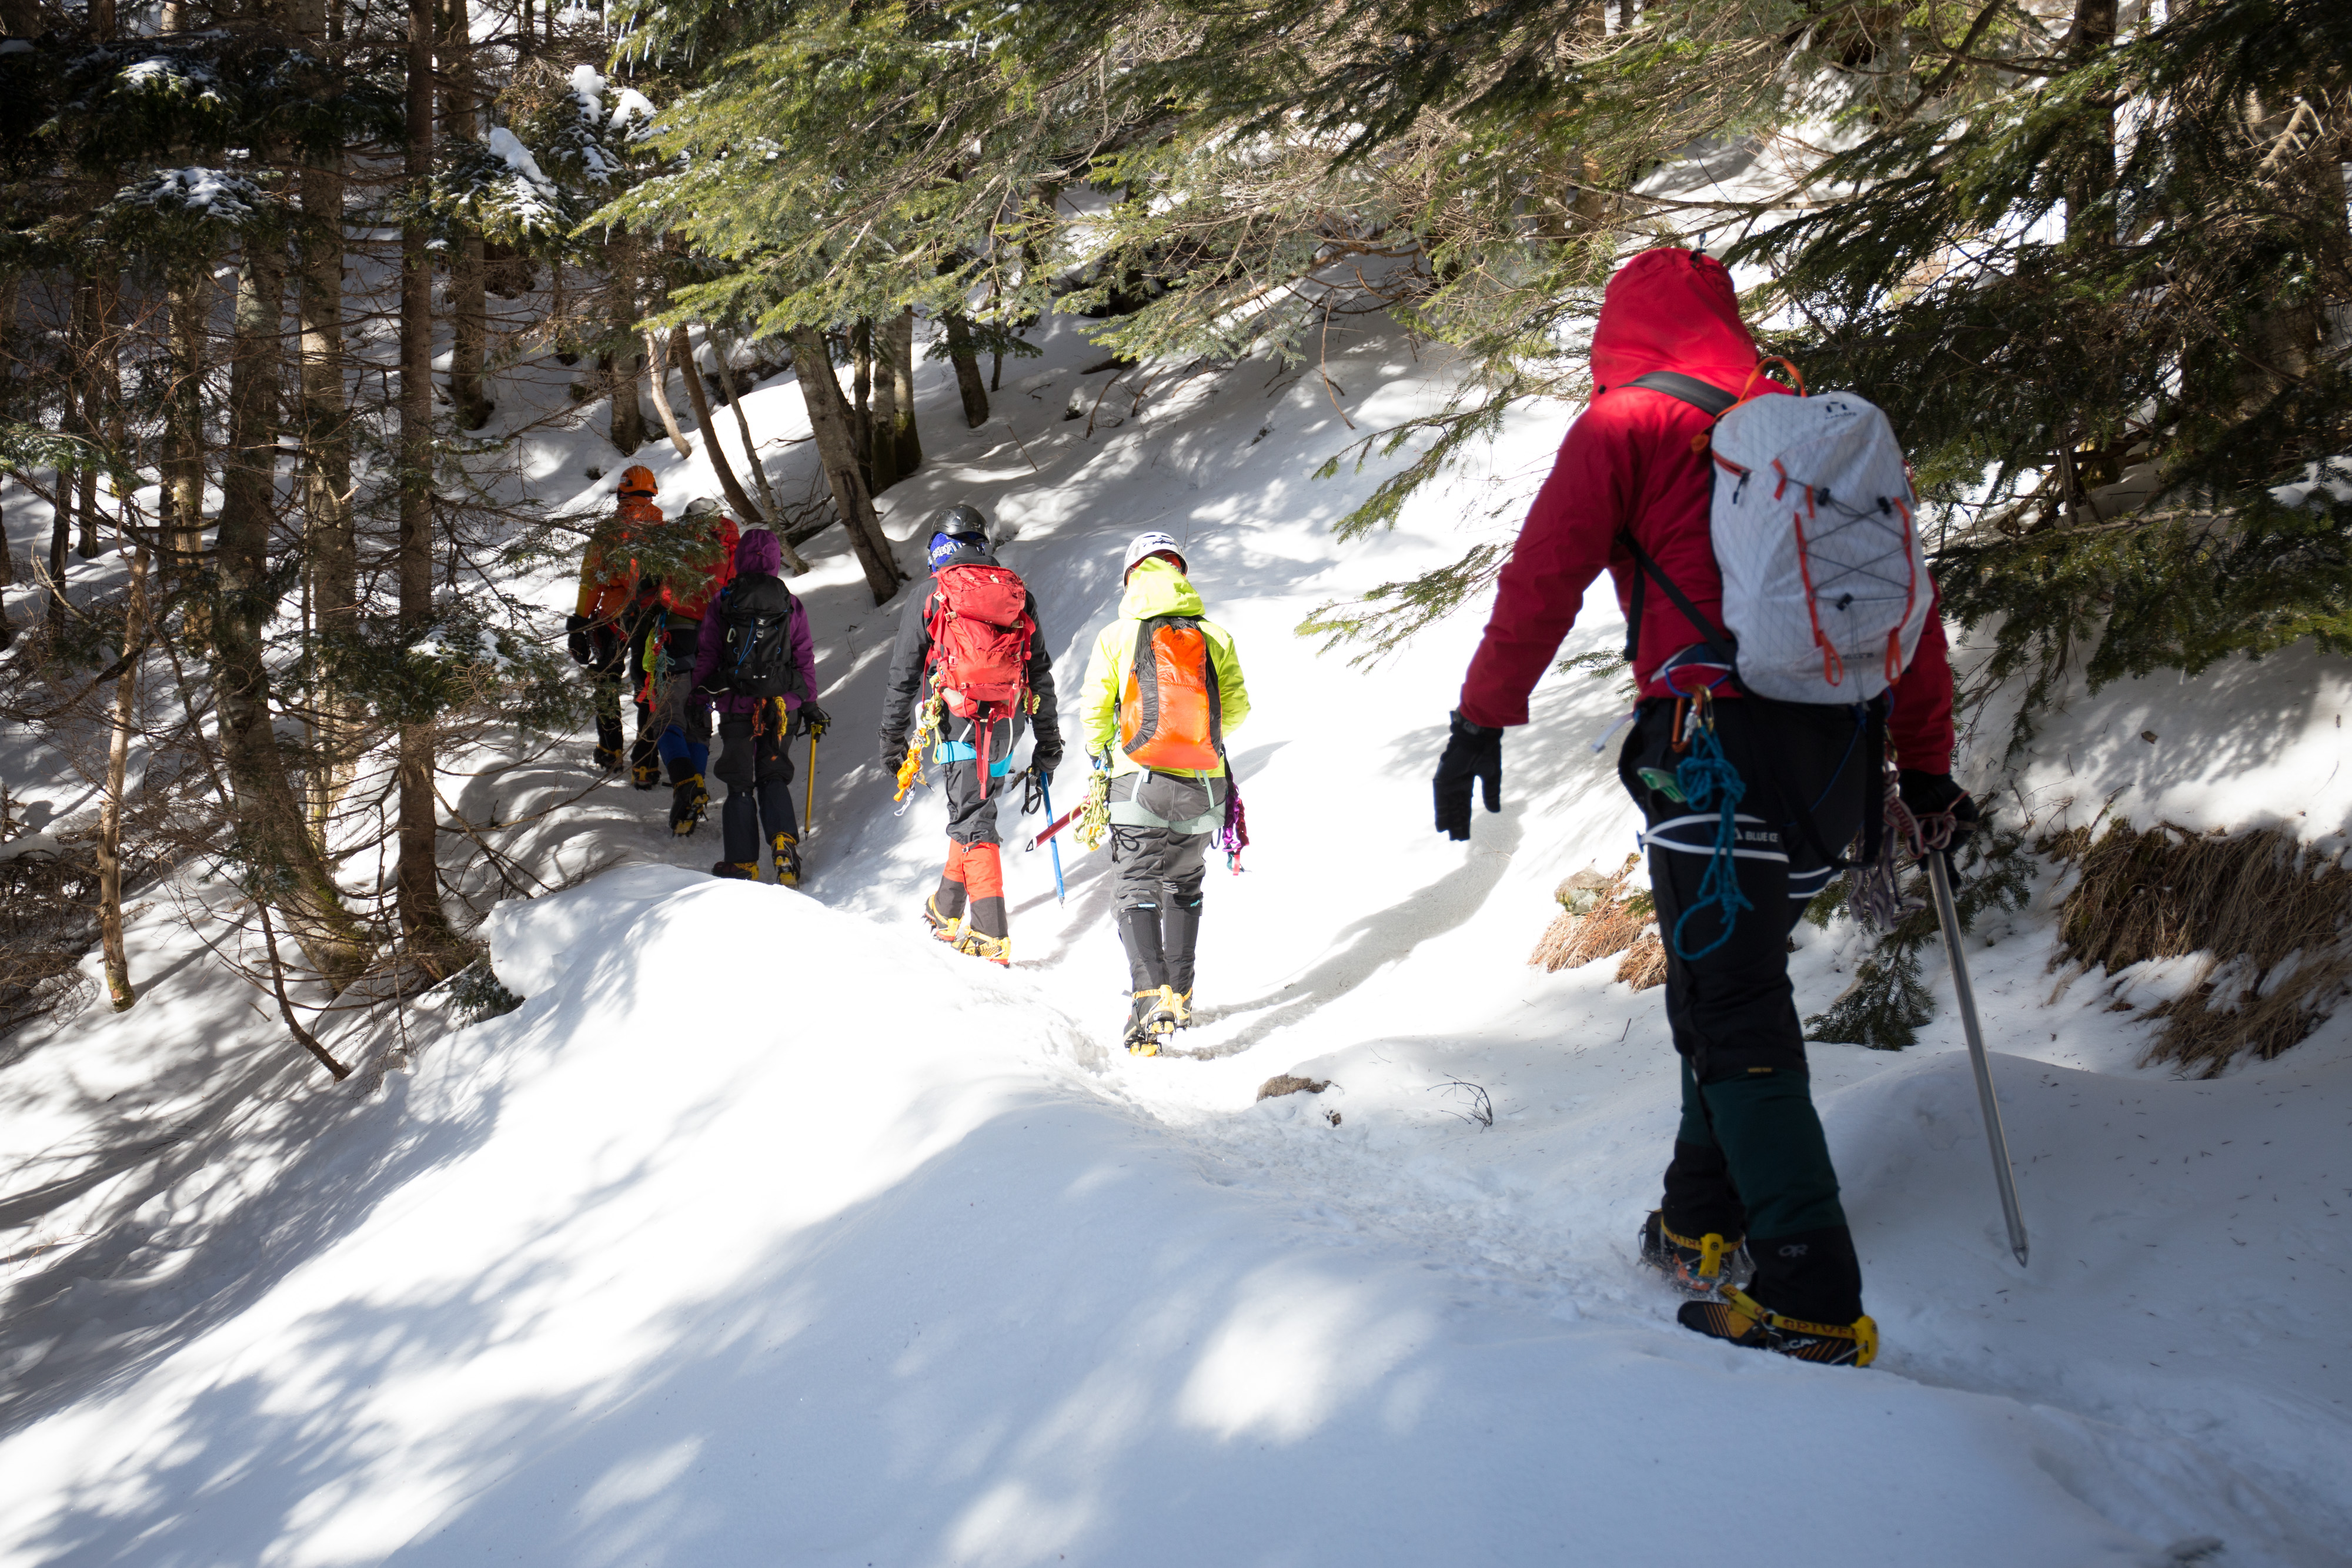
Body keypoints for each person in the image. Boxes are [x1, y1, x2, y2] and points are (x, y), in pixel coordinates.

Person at [1431, 247, 1975, 1368]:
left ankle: (1810, 1294)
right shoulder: (1810, 434)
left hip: (1711, 758)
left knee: (1732, 1007)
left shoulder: (1627, 424)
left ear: (1619, 333)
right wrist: (1926, 769)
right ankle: (1699, 1219)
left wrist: (1481, 719)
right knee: (1721, 982)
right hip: (1837, 768)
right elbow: (1906, 613)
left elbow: (1542, 578)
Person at [1077, 531, 1250, 1054]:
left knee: (1136, 884)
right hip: (1203, 785)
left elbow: (1094, 709)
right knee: (1185, 883)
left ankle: (1150, 996)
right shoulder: (1214, 635)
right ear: (1180, 573)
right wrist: (1197, 739)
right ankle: (1181, 994)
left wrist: (1103, 751)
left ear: (1131, 578)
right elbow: (1237, 709)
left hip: (1138, 782)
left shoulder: (1117, 635)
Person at [878, 503, 1062, 965]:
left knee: (974, 818)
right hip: (1008, 722)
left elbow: (903, 675)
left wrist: (893, 741)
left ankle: (989, 932)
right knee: (972, 808)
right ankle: (946, 908)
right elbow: (1039, 672)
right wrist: (1048, 741)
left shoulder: (932, 594)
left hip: (959, 721)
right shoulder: (1016, 592)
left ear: (938, 547)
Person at [694, 527, 824, 883]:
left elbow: (708, 654)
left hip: (737, 703)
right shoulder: (790, 602)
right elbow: (804, 657)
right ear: (775, 561)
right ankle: (783, 845)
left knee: (739, 782)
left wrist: (700, 698)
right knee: (773, 773)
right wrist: (808, 703)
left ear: (739, 560)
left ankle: (742, 863)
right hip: (782, 704)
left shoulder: (723, 601)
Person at [628, 496, 740, 835]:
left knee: (666, 717)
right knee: (698, 721)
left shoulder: (677, 545)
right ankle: (692, 796)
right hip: (716, 643)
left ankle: (685, 783)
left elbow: (648, 593)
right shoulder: (730, 546)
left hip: (676, 636)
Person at [566, 464, 662, 772]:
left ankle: (610, 750)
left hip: (613, 617)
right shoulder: (664, 530)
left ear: (622, 491)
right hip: (651, 616)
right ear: (653, 492)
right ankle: (646, 762)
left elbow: (591, 580)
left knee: (606, 681)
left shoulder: (608, 531)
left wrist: (580, 623)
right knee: (647, 686)